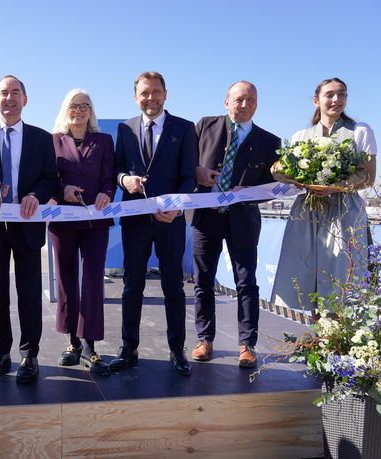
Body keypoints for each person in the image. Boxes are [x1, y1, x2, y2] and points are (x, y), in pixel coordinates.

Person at [0, 75, 57, 383]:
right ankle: (0, 352)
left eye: (15, 92)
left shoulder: (42, 138)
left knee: (29, 292)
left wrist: (35, 195)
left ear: (25, 99)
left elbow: (50, 177)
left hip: (27, 225)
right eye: (3, 93)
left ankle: (29, 355)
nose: (9, 98)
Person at [110, 71, 197, 376]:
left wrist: (176, 208)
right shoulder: (125, 129)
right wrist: (125, 180)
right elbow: (116, 169)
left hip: (171, 220)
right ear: (136, 97)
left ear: (165, 93)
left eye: (155, 92)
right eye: (144, 93)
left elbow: (188, 176)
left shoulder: (185, 129)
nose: (150, 98)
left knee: (173, 285)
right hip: (135, 219)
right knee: (132, 285)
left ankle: (177, 350)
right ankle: (128, 347)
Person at [191, 81, 281, 368]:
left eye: (251, 100)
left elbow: (273, 186)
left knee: (246, 283)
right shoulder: (204, 126)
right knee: (202, 282)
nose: (244, 105)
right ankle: (205, 340)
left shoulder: (270, 141)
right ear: (226, 102)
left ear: (257, 104)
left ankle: (247, 345)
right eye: (239, 99)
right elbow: (185, 163)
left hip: (243, 220)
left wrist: (252, 190)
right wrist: (198, 172)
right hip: (205, 218)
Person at [271, 78, 377, 313]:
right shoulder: (301, 136)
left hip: (345, 209)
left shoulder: (360, 131)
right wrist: (281, 172)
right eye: (330, 94)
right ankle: (319, 337)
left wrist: (336, 186)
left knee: (343, 275)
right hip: (308, 211)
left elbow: (368, 178)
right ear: (316, 100)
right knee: (306, 273)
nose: (336, 100)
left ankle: (343, 339)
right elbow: (293, 175)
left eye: (342, 94)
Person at [48, 89, 114, 376]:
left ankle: (89, 345)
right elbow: (47, 178)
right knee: (66, 281)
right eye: (74, 105)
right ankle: (72, 342)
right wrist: (62, 190)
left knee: (92, 282)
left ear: (91, 111)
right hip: (63, 221)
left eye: (85, 105)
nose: (79, 110)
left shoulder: (104, 141)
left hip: (95, 222)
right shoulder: (53, 142)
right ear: (66, 109)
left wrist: (106, 194)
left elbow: (110, 178)